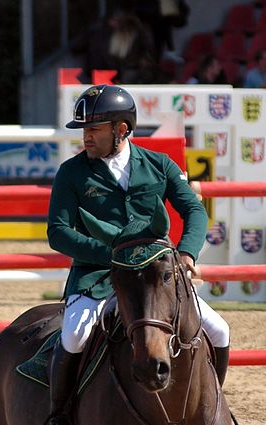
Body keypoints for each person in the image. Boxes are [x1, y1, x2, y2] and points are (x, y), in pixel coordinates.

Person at [46, 84, 230, 425]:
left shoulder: (160, 164)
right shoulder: (72, 173)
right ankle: (62, 411)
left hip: (157, 275)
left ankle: (213, 403)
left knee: (219, 330)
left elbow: (194, 210)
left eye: (94, 130)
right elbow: (58, 232)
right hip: (98, 276)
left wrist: (187, 254)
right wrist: (110, 255)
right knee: (74, 335)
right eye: (84, 130)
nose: (86, 137)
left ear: (122, 130)